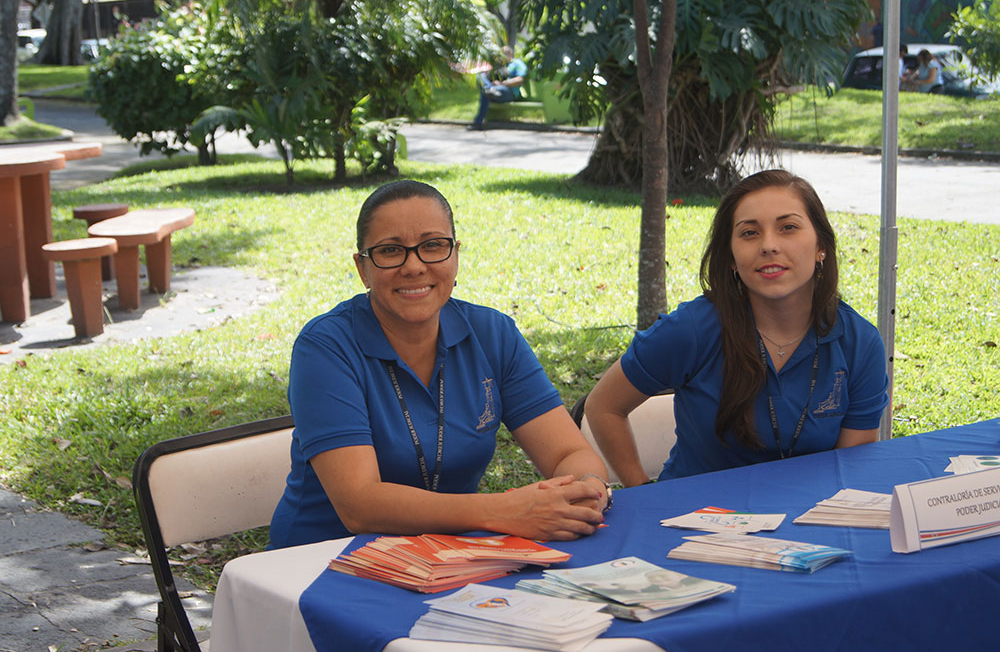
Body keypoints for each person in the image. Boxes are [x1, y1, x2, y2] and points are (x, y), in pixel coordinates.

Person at [268, 180, 610, 549]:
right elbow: (359, 506)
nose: (413, 266)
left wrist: (587, 486)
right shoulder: (326, 347)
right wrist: (503, 511)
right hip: (322, 562)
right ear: (362, 268)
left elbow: (569, 453)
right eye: (389, 250)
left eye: (433, 246)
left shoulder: (492, 333)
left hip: (455, 557)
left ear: (455, 255)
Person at [584, 170, 889, 487]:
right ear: (730, 257)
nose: (769, 245)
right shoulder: (690, 329)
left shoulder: (860, 343)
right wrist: (644, 495)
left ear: (821, 246)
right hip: (693, 521)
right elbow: (603, 406)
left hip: (812, 519)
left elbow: (850, 471)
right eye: (749, 233)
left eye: (788, 228)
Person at [469, 46, 528, 130]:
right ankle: (488, 89)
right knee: (481, 76)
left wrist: (502, 84)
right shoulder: (499, 66)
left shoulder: (517, 63)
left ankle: (478, 122)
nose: (502, 56)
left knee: (485, 93)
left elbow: (520, 79)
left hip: (510, 92)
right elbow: (490, 77)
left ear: (511, 54)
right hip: (495, 90)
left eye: (505, 54)